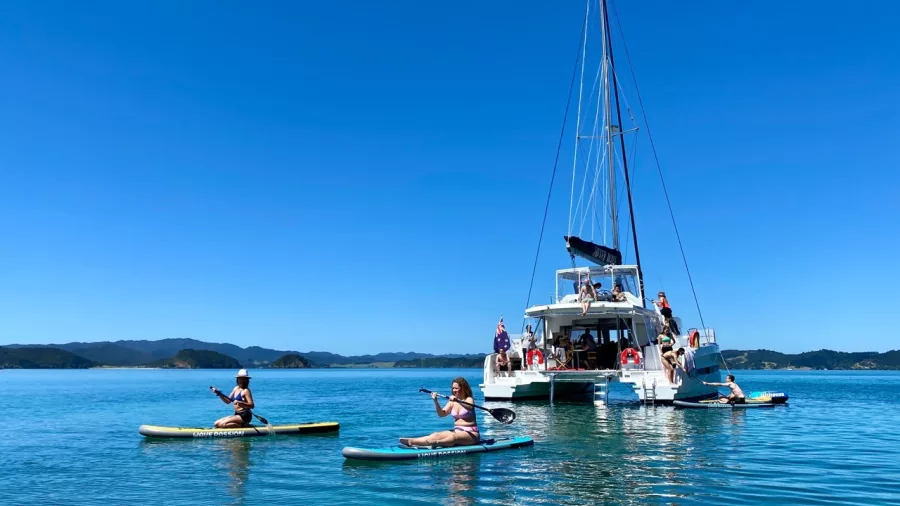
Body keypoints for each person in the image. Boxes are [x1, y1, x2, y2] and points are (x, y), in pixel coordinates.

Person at [399, 378, 480, 448]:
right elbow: (441, 414)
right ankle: (412, 441)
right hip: (457, 431)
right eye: (453, 388)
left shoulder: (468, 399)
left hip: (472, 434)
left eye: (456, 388)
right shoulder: (452, 402)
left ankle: (437, 443)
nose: (454, 391)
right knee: (436, 435)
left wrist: (458, 401)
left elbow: (470, 407)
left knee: (453, 436)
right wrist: (435, 401)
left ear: (463, 388)